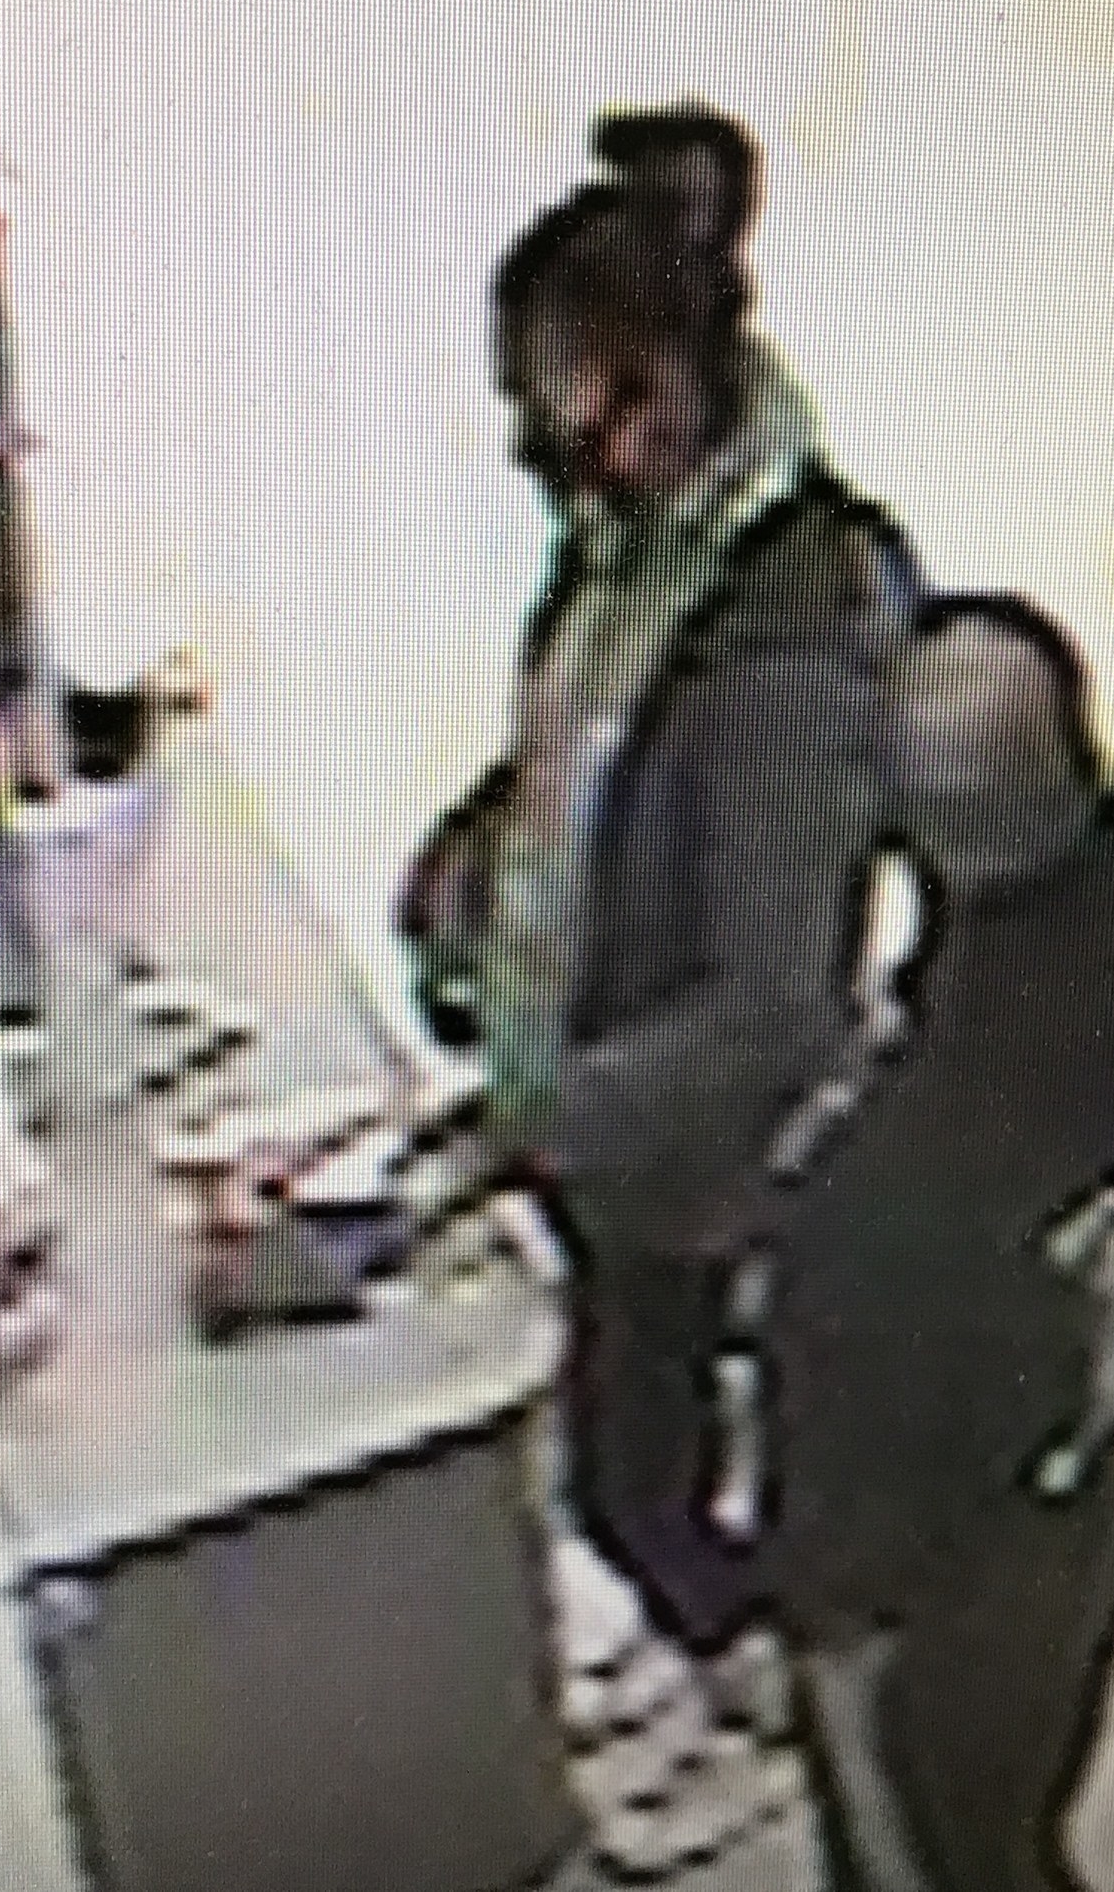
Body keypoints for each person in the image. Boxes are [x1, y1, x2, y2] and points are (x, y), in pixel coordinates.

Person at [398, 144, 919, 1784]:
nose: (536, 455)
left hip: (692, 1172)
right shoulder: (635, 535)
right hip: (596, 1103)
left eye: (564, 416)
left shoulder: (796, 651)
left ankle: (753, 1693)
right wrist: (480, 851)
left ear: (672, 392)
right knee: (618, 1440)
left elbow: (778, 1012)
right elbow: (595, 732)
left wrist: (526, 1124)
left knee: (647, 1468)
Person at [760, 594, 1114, 1892]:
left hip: (957, 1568)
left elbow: (836, 1616)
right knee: (1033, 1773)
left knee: (958, 1824)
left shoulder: (878, 1199)